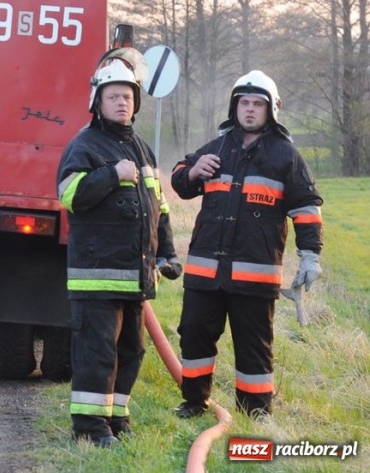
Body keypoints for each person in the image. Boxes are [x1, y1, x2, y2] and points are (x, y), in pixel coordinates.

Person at [170, 70, 323, 420]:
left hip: (255, 278)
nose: (249, 110)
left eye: (257, 104)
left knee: (254, 347)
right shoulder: (216, 148)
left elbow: (307, 209)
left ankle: (255, 410)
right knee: (194, 337)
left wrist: (310, 256)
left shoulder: (286, 157)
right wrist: (193, 172)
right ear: (234, 107)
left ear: (271, 111)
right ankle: (194, 401)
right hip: (204, 274)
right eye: (244, 103)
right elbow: (180, 179)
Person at [56, 48, 181, 447]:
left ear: (137, 101)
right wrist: (111, 175)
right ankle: (89, 429)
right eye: (113, 95)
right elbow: (70, 195)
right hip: (97, 276)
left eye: (128, 95)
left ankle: (115, 418)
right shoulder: (85, 146)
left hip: (135, 277)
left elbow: (158, 206)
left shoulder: (143, 150)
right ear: (98, 102)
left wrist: (168, 253)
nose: (122, 101)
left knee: (131, 352)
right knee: (98, 353)